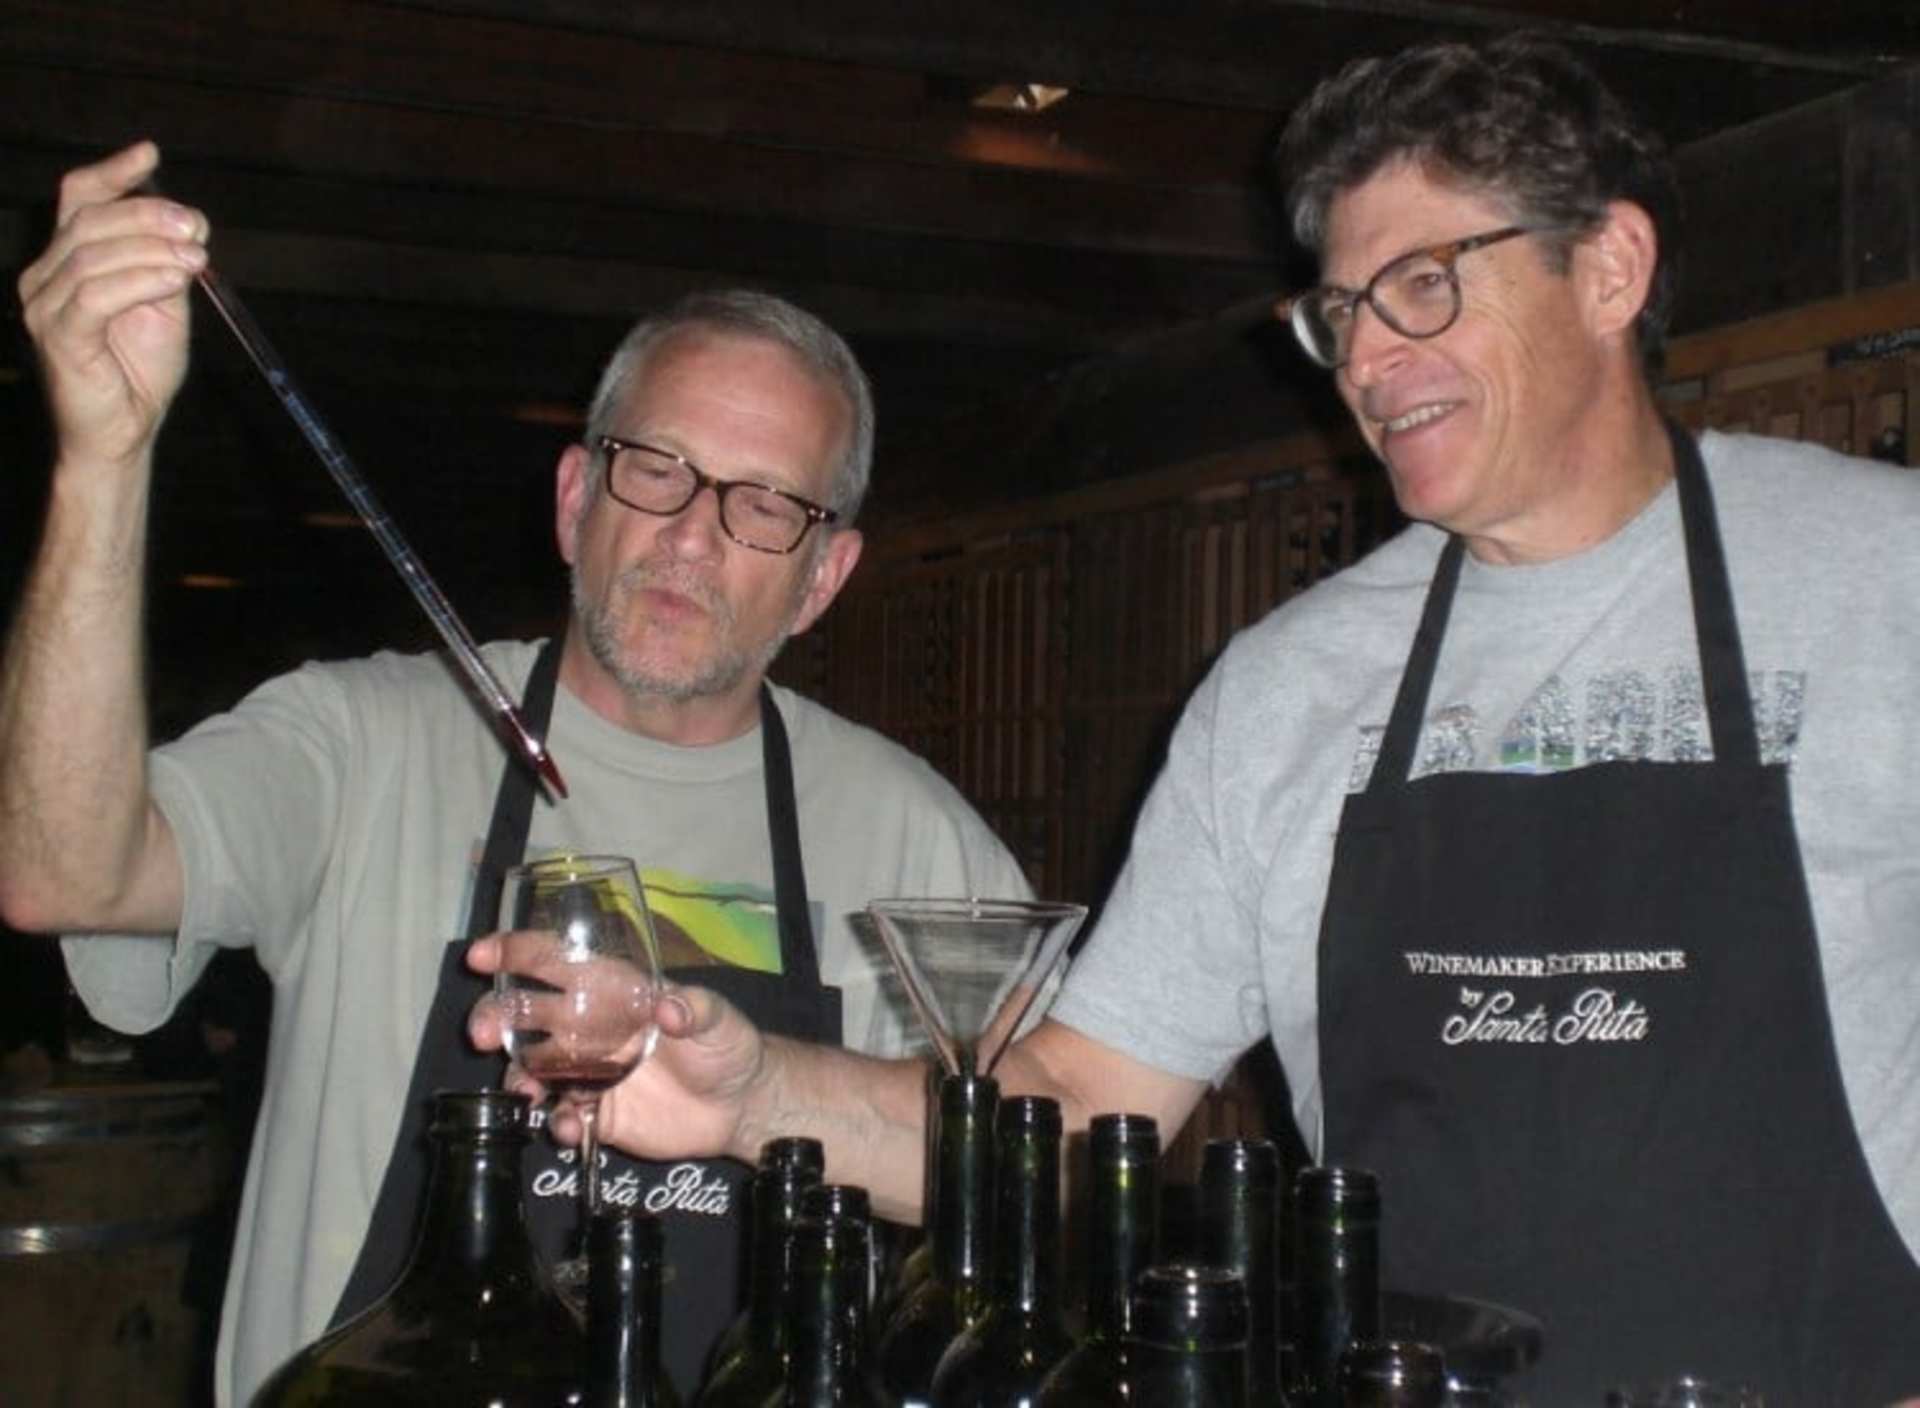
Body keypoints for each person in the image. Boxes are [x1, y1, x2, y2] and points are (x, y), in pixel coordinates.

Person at [520, 33, 1920, 1404]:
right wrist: (755, 1095)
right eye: (1343, 310)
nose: (1368, 360)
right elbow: (1069, 1108)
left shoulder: (1884, 580)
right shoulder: (1289, 689)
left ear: (1610, 267)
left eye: (1422, 287)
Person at [0, 140, 1031, 1408]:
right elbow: (58, 870)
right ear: (573, 497)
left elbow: (1046, 1167)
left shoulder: (911, 835)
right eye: (656, 468)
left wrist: (773, 1084)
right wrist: (101, 460)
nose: (692, 535)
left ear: (823, 577)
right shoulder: (364, 739)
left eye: (766, 505)